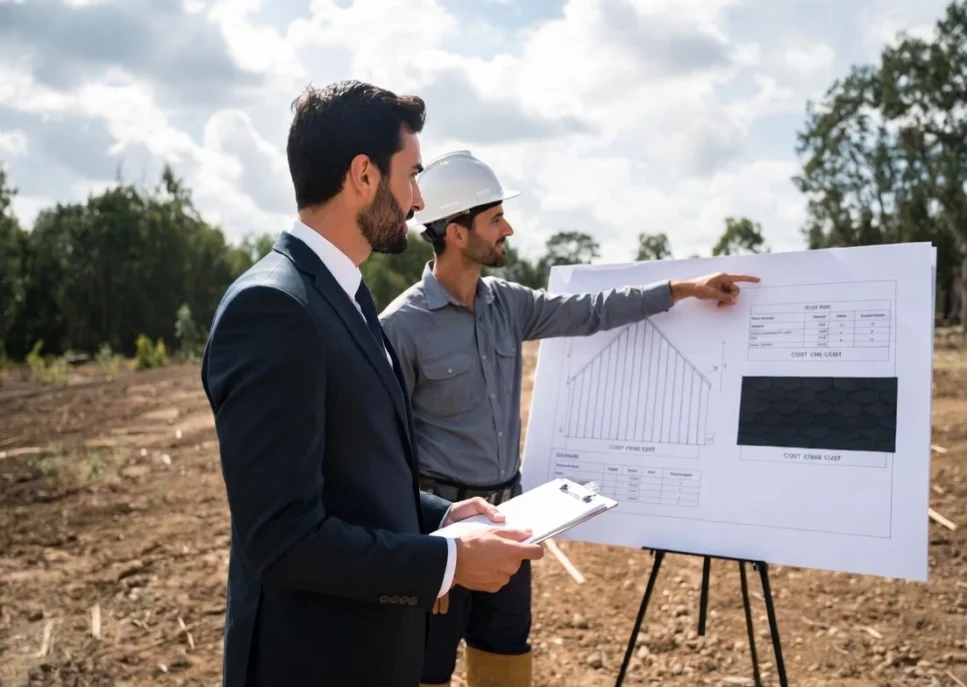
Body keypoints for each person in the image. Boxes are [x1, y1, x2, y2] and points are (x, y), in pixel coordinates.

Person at [201, 85, 544, 687]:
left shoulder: (346, 293)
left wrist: (441, 516)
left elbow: (352, 481)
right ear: (363, 174)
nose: (417, 200)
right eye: (411, 175)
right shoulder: (273, 308)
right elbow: (282, 539)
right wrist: (449, 560)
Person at [379, 150, 760, 687]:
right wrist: (424, 553)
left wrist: (682, 289)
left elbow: (593, 310)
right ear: (457, 233)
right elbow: (386, 453)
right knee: (427, 670)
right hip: (444, 529)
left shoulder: (508, 304)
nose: (508, 228)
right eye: (494, 219)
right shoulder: (400, 326)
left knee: (506, 655)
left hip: (509, 518)